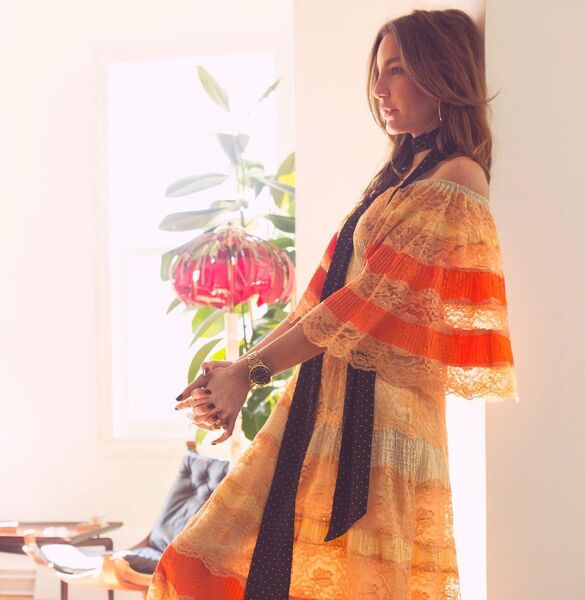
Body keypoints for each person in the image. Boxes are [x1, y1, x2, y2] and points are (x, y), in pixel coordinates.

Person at [147, 8, 519, 600]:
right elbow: (321, 299)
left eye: (397, 70)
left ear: (442, 74)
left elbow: (360, 305)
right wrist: (241, 371)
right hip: (324, 402)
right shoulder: (398, 178)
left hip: (382, 424)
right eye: (378, 72)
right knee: (198, 563)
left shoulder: (455, 179)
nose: (380, 89)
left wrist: (249, 372)